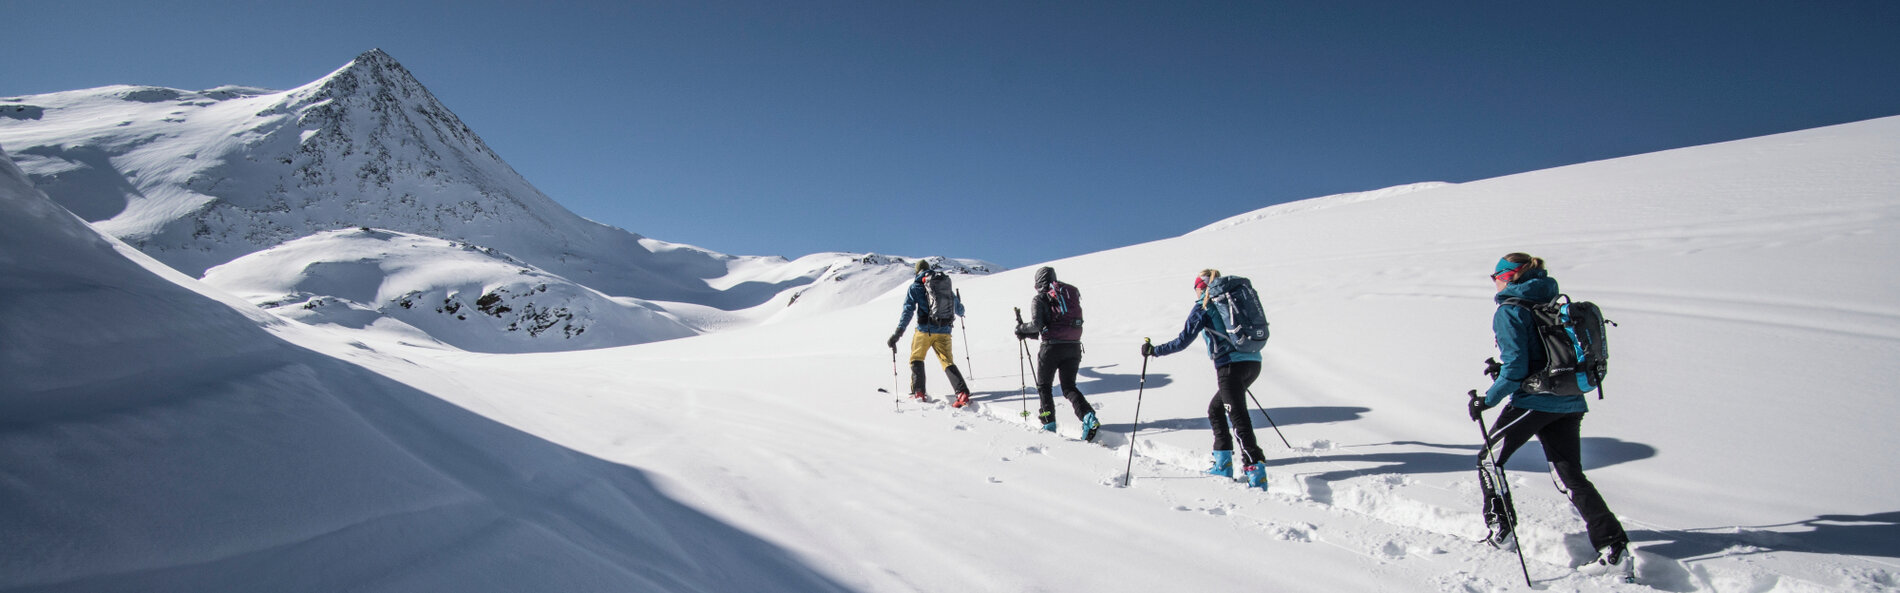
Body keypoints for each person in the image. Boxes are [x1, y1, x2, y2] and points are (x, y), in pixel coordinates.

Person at [1469, 253, 1631, 573]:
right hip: (1570, 400)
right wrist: (1503, 370)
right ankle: (1613, 547)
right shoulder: (1548, 301)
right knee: (1569, 475)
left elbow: (1517, 368)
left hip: (1534, 402)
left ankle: (1501, 532)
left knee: (1489, 461)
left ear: (1511, 276)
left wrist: (1487, 400)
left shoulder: (1510, 310)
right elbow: (1541, 355)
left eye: (1496, 276)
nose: (1495, 281)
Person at [1139, 269, 1268, 490]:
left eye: (1196, 287)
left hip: (1230, 367)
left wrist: (1154, 351)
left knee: (1237, 418)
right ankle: (1223, 463)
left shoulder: (1204, 306)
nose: (1196, 292)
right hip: (1253, 362)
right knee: (1216, 410)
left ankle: (1255, 469)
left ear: (1201, 287)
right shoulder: (1231, 299)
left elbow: (1182, 341)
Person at [1013, 266, 1100, 440]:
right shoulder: (1065, 296)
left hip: (1051, 349)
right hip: (1073, 347)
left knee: (1044, 387)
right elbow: (1048, 327)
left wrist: (1021, 328)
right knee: (1069, 387)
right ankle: (1088, 417)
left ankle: (1048, 423)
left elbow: (1037, 325)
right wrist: (1027, 332)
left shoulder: (1040, 298)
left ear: (1038, 282)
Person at [888, 260, 971, 406]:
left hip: (924, 331)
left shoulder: (915, 287)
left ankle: (919, 392)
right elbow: (960, 310)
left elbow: (908, 311)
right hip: (944, 331)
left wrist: (898, 333)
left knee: (917, 358)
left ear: (917, 271)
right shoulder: (943, 285)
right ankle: (962, 392)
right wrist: (961, 304)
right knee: (947, 361)